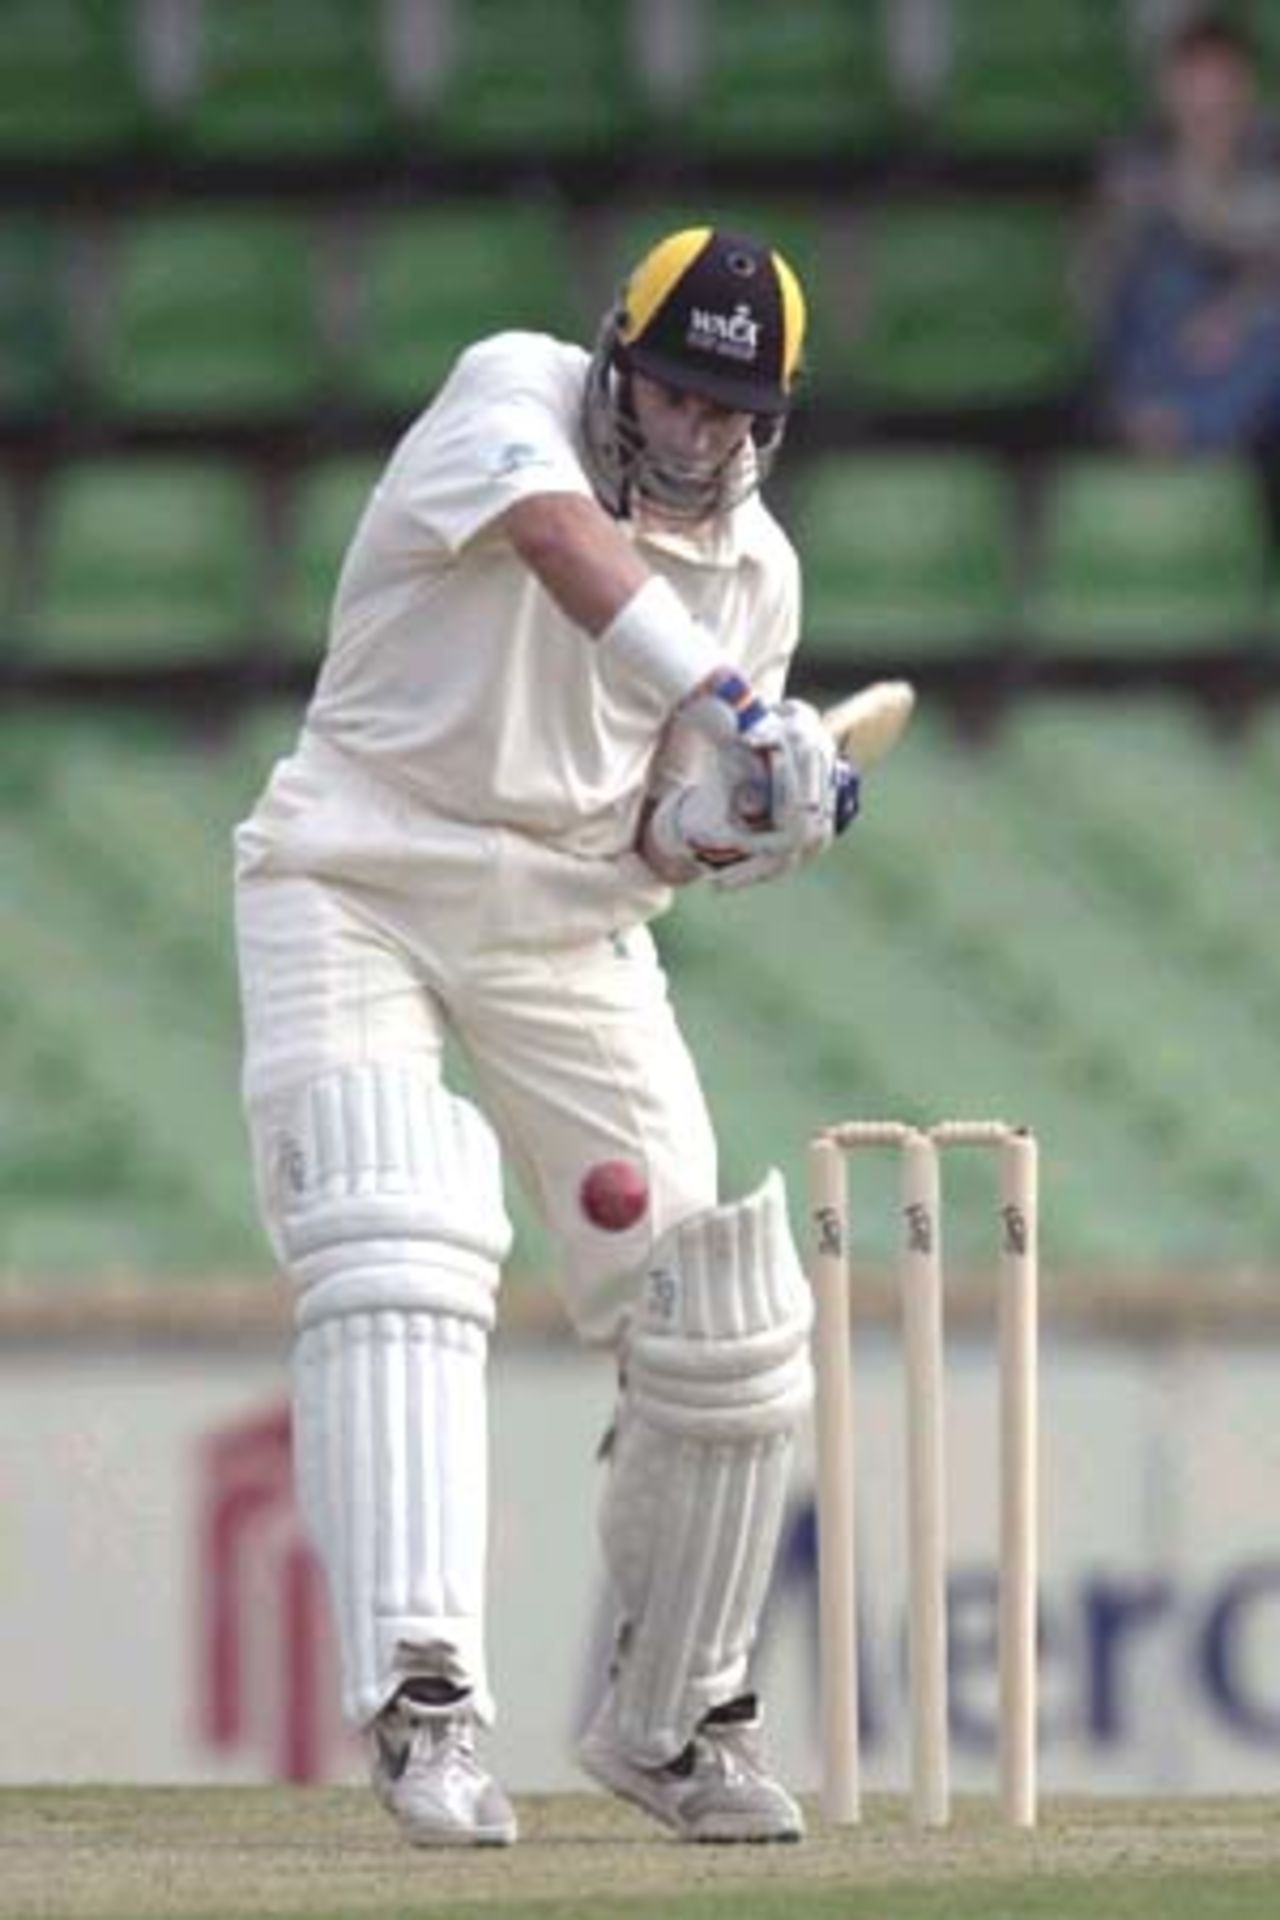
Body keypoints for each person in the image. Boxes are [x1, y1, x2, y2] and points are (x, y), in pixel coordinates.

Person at [233, 225, 861, 1849]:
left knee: (721, 1319)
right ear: (615, 358)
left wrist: (728, 827)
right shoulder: (508, 393)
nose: (698, 434)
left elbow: (659, 832)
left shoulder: (760, 577)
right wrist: (742, 713)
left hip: (572, 914)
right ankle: (424, 1703)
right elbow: (563, 545)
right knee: (398, 1229)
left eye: (733, 411)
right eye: (673, 391)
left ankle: (675, 1719)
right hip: (358, 861)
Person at [1088, 13, 1280, 453]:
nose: (1207, 109)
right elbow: (1099, 276)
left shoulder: (1272, 147)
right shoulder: (1138, 153)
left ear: (1246, 86)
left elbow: (1265, 245)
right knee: (1157, 278)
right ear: (1169, 88)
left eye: (1222, 91)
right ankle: (1157, 418)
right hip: (1167, 331)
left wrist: (1233, 315)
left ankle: (1179, 428)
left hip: (1253, 326)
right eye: (1193, 90)